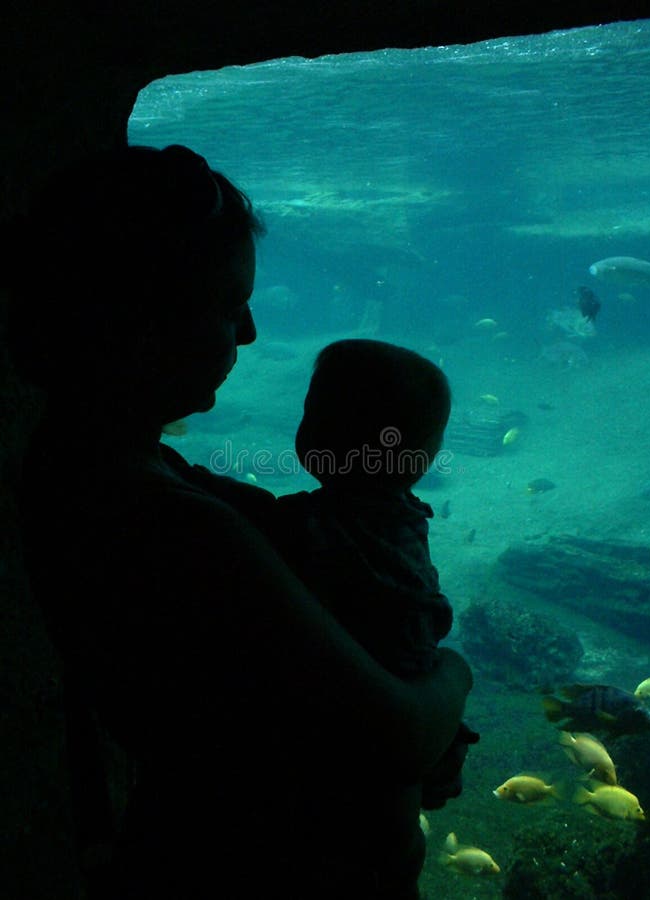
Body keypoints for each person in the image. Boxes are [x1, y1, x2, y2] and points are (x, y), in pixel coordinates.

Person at [4, 144, 473, 899]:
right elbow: (396, 737)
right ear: (141, 322)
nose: (249, 332)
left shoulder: (101, 469)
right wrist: (452, 676)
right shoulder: (175, 523)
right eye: (228, 305)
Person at [267, 338, 479, 899]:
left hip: (320, 787)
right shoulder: (405, 527)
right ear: (425, 457)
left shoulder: (296, 527)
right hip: (382, 796)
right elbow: (416, 652)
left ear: (312, 438)